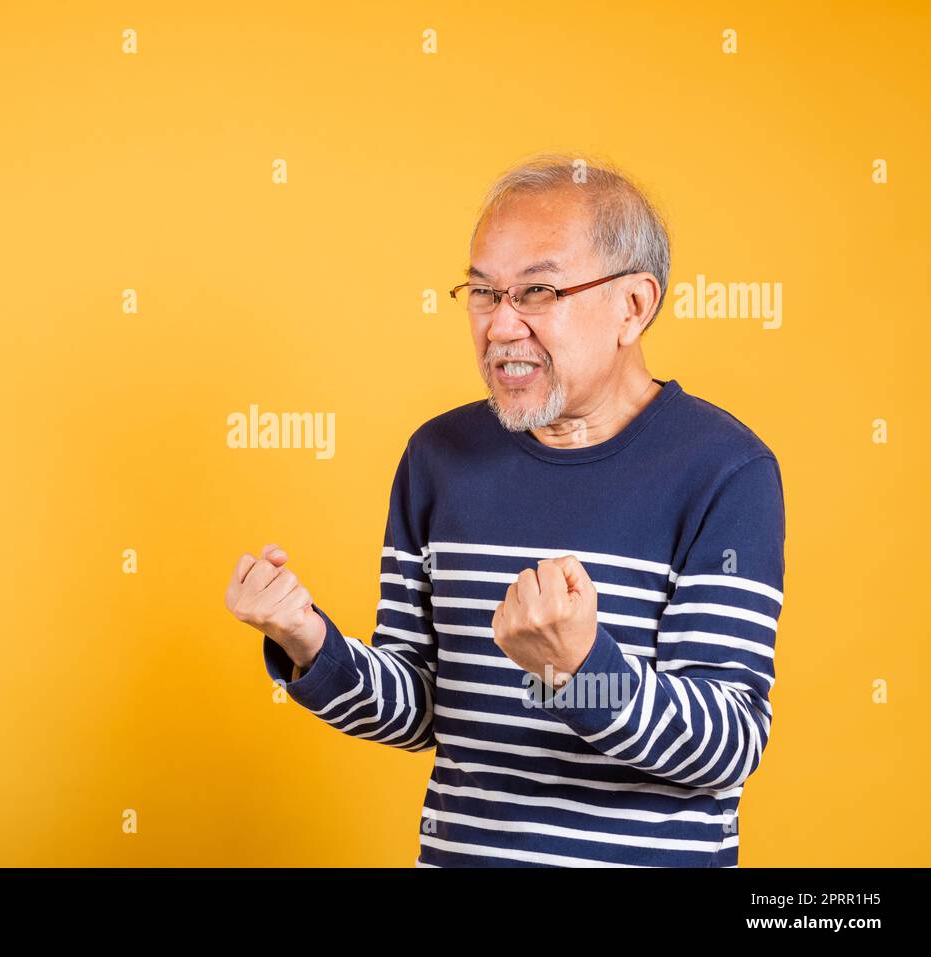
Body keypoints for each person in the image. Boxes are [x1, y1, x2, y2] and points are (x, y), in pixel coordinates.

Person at [224, 154, 785, 867]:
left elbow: (726, 745)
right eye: (484, 292)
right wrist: (309, 643)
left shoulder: (725, 470)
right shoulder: (439, 455)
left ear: (633, 306)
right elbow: (425, 705)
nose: (500, 326)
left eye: (538, 291)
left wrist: (583, 668)